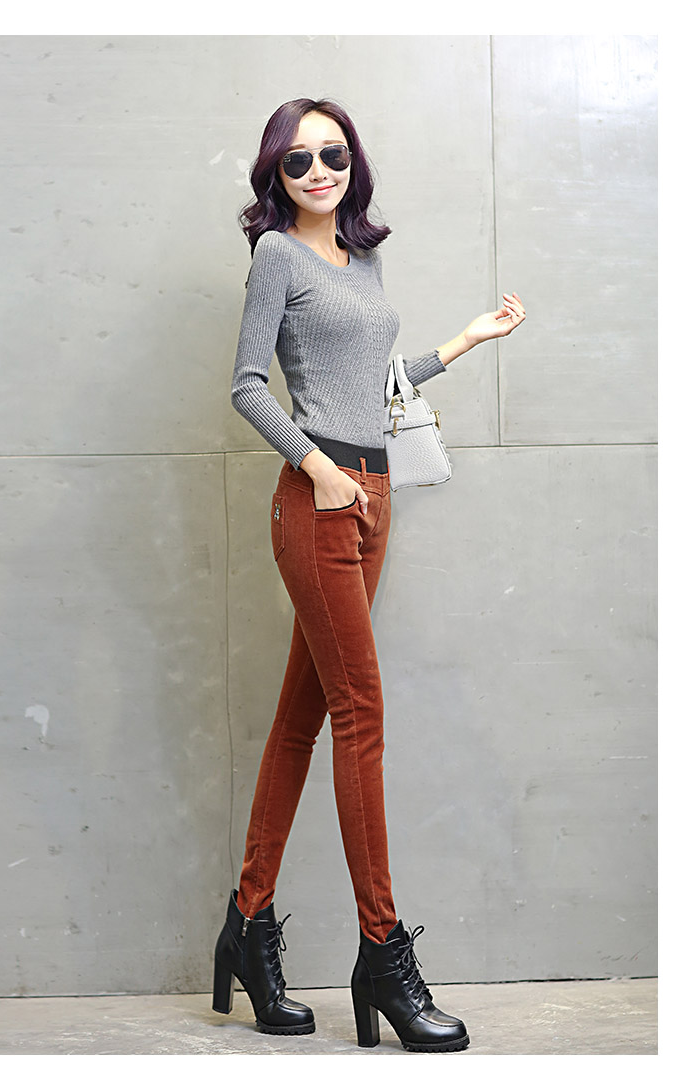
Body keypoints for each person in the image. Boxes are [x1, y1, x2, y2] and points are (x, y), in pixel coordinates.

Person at [212, 97, 526, 1052]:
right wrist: (316, 469)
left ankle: (247, 924)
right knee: (362, 715)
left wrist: (464, 341)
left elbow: (374, 385)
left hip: (375, 496)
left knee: (302, 719)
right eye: (298, 158)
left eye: (334, 154)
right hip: (317, 504)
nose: (319, 170)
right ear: (275, 172)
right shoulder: (277, 257)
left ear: (354, 164)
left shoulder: (363, 258)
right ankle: (383, 954)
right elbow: (248, 385)